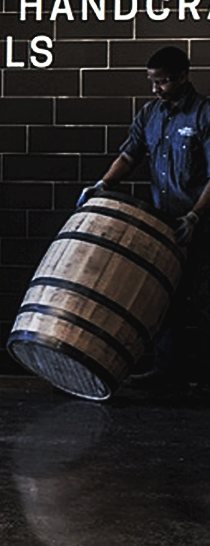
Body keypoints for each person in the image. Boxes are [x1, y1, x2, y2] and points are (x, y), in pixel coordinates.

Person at [78, 45, 210, 392]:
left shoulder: (204, 115)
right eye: (152, 81)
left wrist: (195, 216)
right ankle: (168, 373)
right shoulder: (151, 113)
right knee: (166, 299)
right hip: (163, 227)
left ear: (183, 76)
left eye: (163, 81)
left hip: (199, 224)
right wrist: (104, 183)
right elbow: (129, 153)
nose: (155, 88)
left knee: (203, 299)